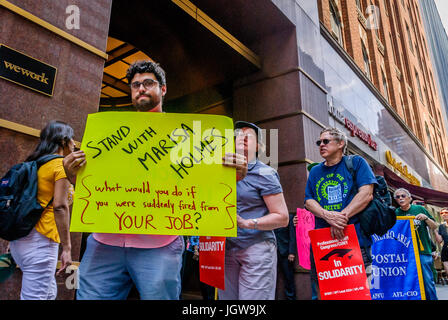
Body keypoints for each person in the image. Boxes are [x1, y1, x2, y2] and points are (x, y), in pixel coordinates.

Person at [63, 60, 247, 300]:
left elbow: (206, 180)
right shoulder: (108, 136)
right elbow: (93, 188)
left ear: (163, 89)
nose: (140, 88)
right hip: (103, 243)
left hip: (159, 246)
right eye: (135, 84)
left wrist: (236, 172)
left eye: (148, 83)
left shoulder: (187, 135)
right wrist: (72, 173)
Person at [218, 121, 289, 300]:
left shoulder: (265, 173)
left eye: (248, 136)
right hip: (225, 249)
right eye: (238, 135)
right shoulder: (218, 171)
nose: (242, 138)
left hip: (256, 247)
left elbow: (282, 218)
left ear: (258, 146)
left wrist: (247, 223)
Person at [304, 127, 376, 299]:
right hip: (324, 243)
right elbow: (308, 201)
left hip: (355, 240)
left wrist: (340, 218)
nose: (321, 145)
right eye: (319, 142)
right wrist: (328, 216)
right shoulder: (315, 171)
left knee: (358, 292)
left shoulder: (356, 162)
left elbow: (366, 194)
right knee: (327, 293)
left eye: (326, 141)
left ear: (341, 143)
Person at [9, 120, 74, 300]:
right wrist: (67, 248)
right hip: (41, 243)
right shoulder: (60, 166)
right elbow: (60, 206)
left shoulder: (35, 164)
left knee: (49, 293)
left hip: (20, 242)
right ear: (63, 141)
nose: (74, 144)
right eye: (71, 139)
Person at [394, 188, 439, 300]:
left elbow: (434, 226)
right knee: (409, 281)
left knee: (427, 281)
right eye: (397, 197)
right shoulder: (395, 213)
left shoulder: (419, 209)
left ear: (409, 198)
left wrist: (426, 218)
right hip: (405, 254)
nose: (400, 198)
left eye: (403, 196)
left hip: (422, 251)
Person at [274, 213, 297, 300]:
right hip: (272, 253)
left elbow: (292, 236)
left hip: (285, 253)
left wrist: (292, 252)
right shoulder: (268, 217)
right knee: (271, 278)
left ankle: (291, 298)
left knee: (288, 278)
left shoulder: (289, 218)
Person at [435, 208, 448, 284]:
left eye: (446, 212)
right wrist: (435, 231)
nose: (444, 214)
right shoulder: (441, 226)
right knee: (446, 267)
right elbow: (440, 240)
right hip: (445, 248)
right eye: (442, 213)